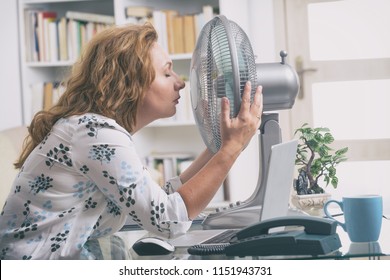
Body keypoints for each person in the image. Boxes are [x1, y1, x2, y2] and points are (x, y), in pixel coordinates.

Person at [0, 23, 263, 259]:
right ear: (130, 82)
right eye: (167, 73)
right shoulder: (94, 133)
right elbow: (169, 220)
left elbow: (160, 201)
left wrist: (219, 145)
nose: (181, 83)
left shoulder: (95, 131)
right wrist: (231, 149)